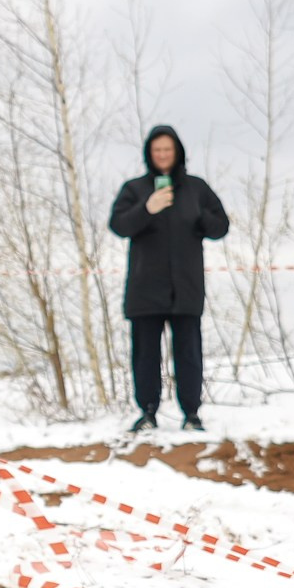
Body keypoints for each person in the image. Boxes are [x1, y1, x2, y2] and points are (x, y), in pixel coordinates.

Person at [106, 124, 230, 433]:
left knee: (188, 354)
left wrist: (198, 215)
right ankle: (147, 412)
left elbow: (221, 227)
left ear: (177, 153)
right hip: (145, 290)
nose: (163, 155)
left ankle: (191, 414)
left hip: (186, 290)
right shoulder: (135, 189)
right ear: (150, 154)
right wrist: (147, 209)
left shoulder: (196, 188)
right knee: (145, 355)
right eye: (157, 150)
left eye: (168, 149)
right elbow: (118, 225)